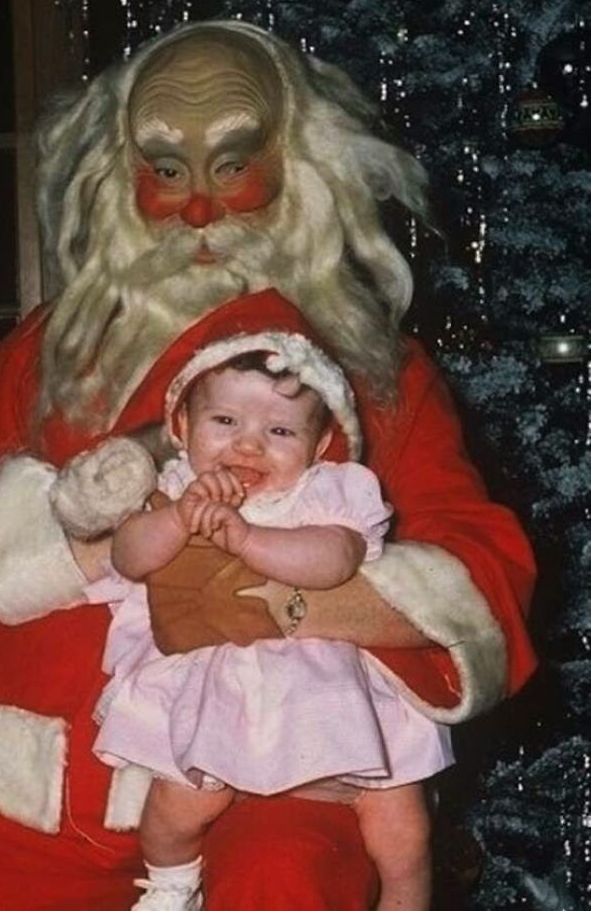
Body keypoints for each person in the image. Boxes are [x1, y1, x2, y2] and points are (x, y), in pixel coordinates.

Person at [0, 20, 536, 910]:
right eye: (166, 171)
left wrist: (292, 602)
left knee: (288, 884)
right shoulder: (45, 356)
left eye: (233, 165)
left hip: (273, 771)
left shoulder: (373, 370)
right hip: (27, 772)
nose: (201, 208)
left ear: (301, 169)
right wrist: (100, 536)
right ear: (122, 181)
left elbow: (482, 577)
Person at [87, 290, 451, 911]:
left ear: (318, 447)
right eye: (224, 422)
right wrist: (180, 518)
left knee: (403, 826)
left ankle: (404, 900)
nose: (248, 446)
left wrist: (250, 538)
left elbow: (337, 560)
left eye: (279, 431)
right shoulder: (173, 490)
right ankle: (172, 885)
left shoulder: (329, 491)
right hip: (223, 690)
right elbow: (129, 557)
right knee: (177, 807)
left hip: (330, 687)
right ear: (181, 428)